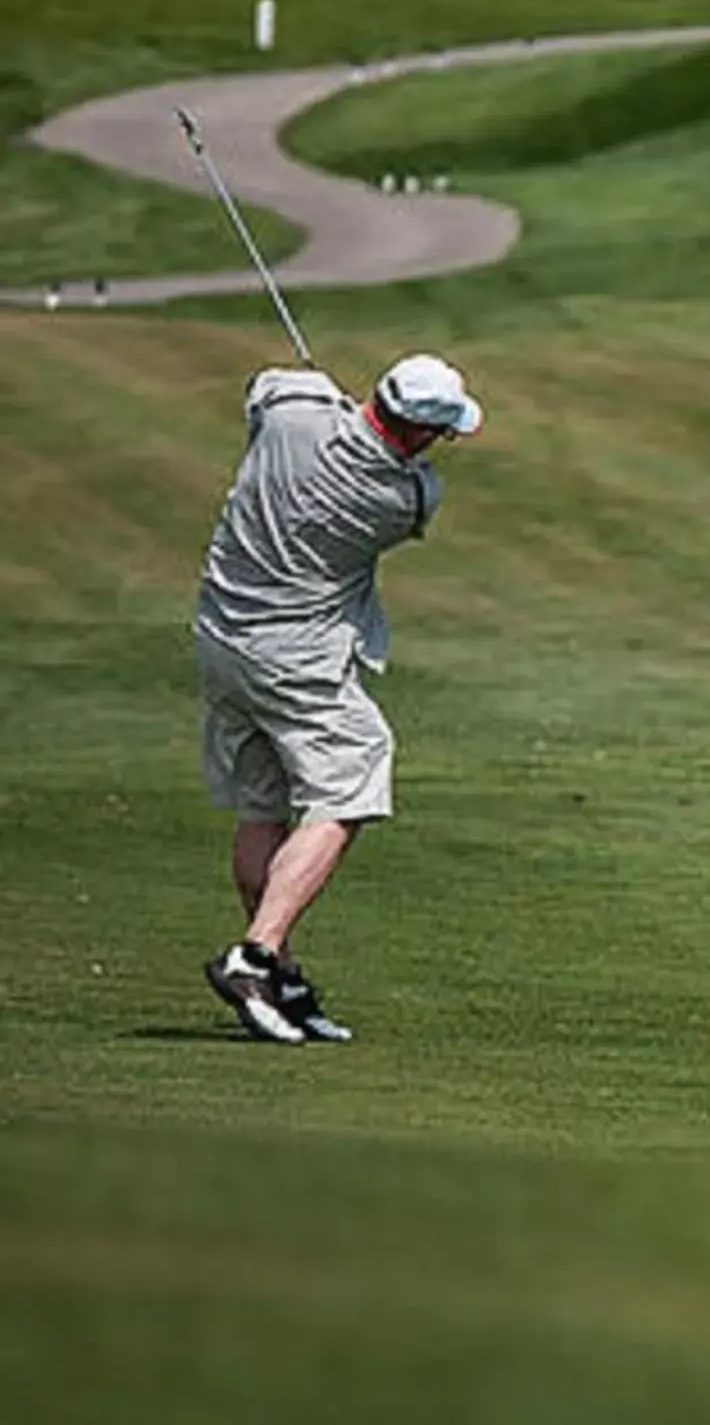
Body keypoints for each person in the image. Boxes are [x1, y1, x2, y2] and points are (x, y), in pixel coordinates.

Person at [195, 354, 483, 1044]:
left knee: (263, 802)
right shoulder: (408, 499)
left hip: (222, 639)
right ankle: (256, 954)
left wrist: (328, 399)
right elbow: (391, 456)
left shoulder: (294, 413)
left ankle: (280, 981)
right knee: (353, 780)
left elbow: (264, 386)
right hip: (298, 658)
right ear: (419, 435)